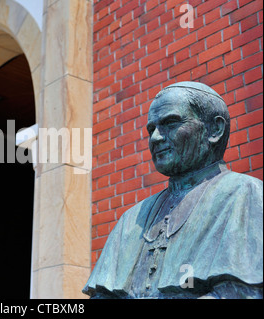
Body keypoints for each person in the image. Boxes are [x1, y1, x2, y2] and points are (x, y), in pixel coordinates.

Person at [83, 81, 263, 299]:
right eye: (151, 129)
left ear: (215, 129)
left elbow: (240, 294)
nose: (155, 138)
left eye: (170, 123)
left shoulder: (245, 196)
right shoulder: (131, 220)